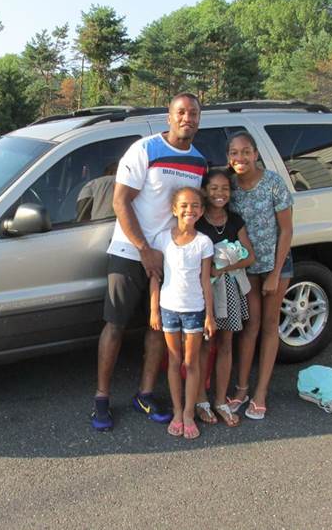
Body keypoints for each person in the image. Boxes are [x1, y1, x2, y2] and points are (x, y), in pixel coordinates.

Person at [92, 93, 207, 431]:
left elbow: (189, 212)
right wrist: (144, 248)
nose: (187, 118)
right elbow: (120, 201)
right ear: (169, 117)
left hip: (169, 257)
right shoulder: (145, 150)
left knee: (158, 326)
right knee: (115, 325)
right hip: (130, 250)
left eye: (194, 113)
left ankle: (145, 393)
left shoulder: (199, 162)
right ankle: (101, 398)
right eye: (181, 112)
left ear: (200, 119)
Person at [225, 131, 294, 421]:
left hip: (275, 265)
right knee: (249, 326)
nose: (240, 158)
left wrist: (275, 274)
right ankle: (241, 389)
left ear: (255, 154)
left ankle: (261, 392)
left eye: (245, 151)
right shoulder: (230, 187)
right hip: (247, 267)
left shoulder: (273, 183)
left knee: (268, 325)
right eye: (234, 153)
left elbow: (287, 230)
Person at [149, 187, 215, 439]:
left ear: (202, 211)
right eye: (184, 205)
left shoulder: (204, 242)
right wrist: (154, 309)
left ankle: (189, 412)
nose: (190, 210)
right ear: (174, 209)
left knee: (192, 362)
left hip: (194, 309)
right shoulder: (163, 238)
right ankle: (177, 411)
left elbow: (206, 281)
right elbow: (155, 276)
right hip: (168, 308)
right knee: (174, 361)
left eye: (195, 205)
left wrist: (209, 315)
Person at [194, 169, 256, 427]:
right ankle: (200, 400)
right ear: (205, 191)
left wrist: (224, 268)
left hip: (228, 288)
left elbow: (250, 257)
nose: (219, 194)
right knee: (204, 344)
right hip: (205, 290)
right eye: (214, 188)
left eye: (225, 189)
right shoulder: (198, 222)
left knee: (226, 343)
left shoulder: (235, 220)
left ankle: (220, 400)